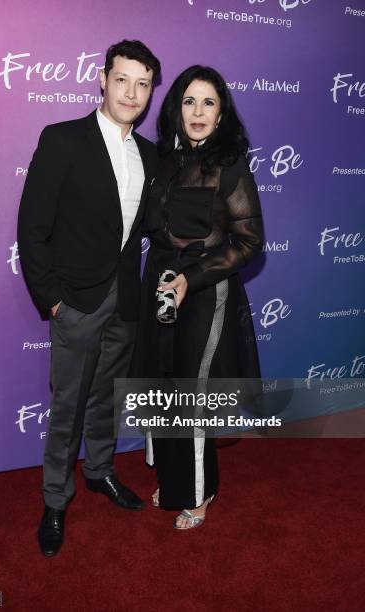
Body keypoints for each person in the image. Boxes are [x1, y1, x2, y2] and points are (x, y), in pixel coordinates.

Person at [17, 40, 160, 556]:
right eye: (122, 79)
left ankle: (100, 471)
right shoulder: (63, 140)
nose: (131, 92)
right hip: (76, 300)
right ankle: (56, 498)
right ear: (102, 79)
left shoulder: (150, 154)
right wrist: (53, 299)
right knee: (68, 406)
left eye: (143, 84)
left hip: (126, 301)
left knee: (106, 400)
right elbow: (32, 228)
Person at [132, 65, 263, 529]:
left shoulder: (230, 165)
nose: (198, 111)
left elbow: (249, 242)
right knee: (163, 380)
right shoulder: (165, 162)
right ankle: (174, 475)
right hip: (161, 285)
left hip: (206, 290)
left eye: (209, 102)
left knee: (192, 388)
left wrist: (194, 277)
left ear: (222, 111)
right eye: (189, 101)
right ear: (176, 107)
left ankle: (199, 491)